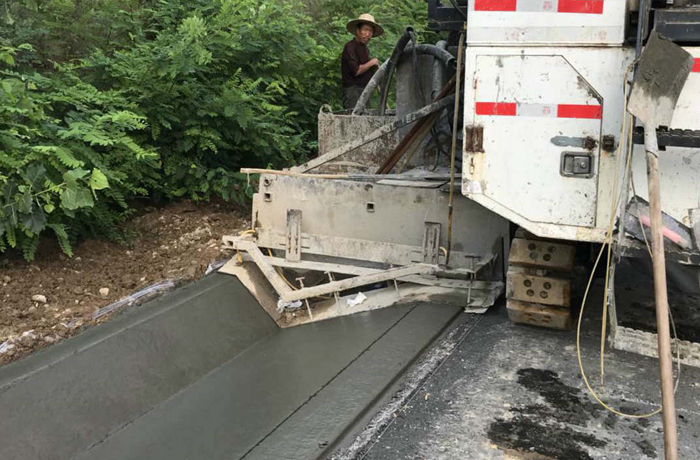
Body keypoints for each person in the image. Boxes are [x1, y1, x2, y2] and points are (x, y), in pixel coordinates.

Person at [341, 13, 384, 111]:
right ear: (358, 31)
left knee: (365, 120)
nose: (368, 34)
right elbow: (356, 71)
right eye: (365, 30)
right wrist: (372, 62)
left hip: (364, 90)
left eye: (370, 31)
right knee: (355, 120)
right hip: (353, 91)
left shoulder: (365, 49)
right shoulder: (350, 47)